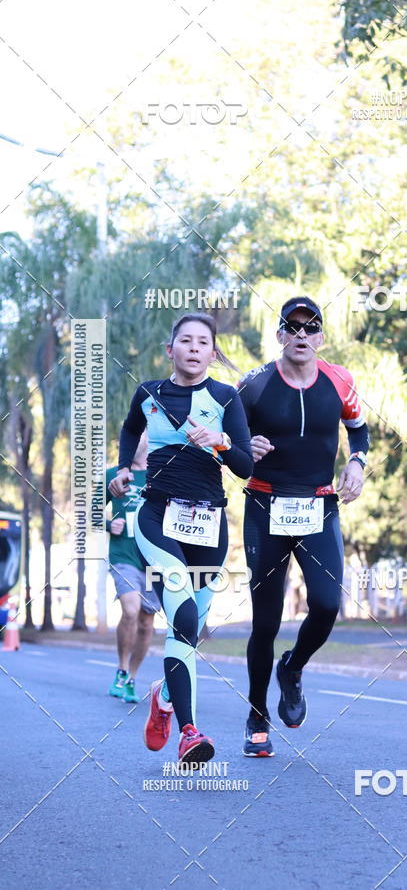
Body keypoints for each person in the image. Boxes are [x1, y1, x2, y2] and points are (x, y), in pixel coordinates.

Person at [110, 313, 252, 766]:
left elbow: (247, 467)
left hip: (209, 526)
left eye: (203, 342)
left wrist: (222, 442)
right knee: (183, 611)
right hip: (157, 517)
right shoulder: (149, 393)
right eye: (184, 341)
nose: (193, 348)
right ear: (170, 350)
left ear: (213, 353)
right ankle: (189, 732)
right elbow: (131, 427)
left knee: (188, 632)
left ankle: (163, 699)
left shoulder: (227, 398)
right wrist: (125, 469)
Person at [238, 296, 369, 756]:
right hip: (265, 505)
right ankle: (257, 716)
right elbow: (228, 441)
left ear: (320, 338)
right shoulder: (253, 385)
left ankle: (292, 668)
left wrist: (356, 462)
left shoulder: (339, 380)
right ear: (279, 335)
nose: (300, 334)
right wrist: (242, 448)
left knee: (328, 603)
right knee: (266, 621)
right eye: (291, 327)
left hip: (319, 505)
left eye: (309, 327)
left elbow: (359, 428)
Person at [106, 432, 160, 704]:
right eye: (141, 435)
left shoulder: (160, 475)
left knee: (147, 623)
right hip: (123, 555)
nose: (147, 439)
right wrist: (107, 524)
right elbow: (90, 511)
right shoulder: (113, 475)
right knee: (130, 610)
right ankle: (121, 668)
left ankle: (131, 679)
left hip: (153, 559)